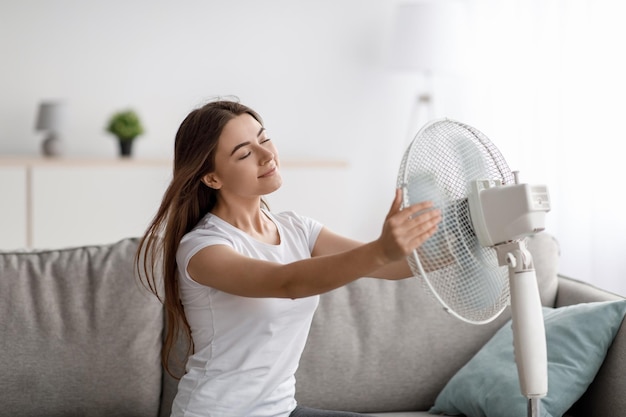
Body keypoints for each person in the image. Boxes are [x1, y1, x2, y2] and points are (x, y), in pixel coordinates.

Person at [136, 99, 441, 417]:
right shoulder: (202, 249)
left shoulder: (297, 228)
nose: (267, 155)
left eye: (264, 139)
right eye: (245, 153)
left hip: (281, 411)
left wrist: (476, 239)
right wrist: (380, 250)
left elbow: (394, 266)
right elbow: (287, 282)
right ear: (213, 179)